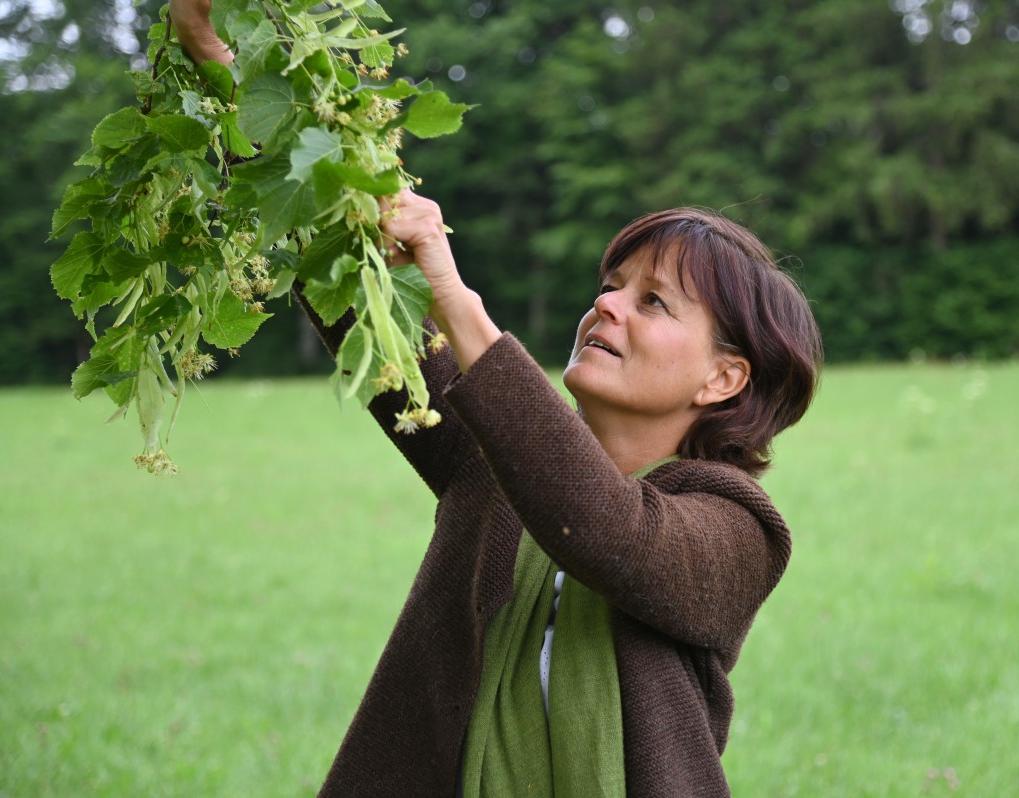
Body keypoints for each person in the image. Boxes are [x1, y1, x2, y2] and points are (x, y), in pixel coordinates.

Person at [169, 3, 823, 795]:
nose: (605, 307)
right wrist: (226, 71)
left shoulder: (738, 532)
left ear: (725, 378)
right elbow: (364, 306)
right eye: (610, 287)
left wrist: (456, 296)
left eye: (653, 303)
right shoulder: (494, 460)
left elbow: (609, 531)